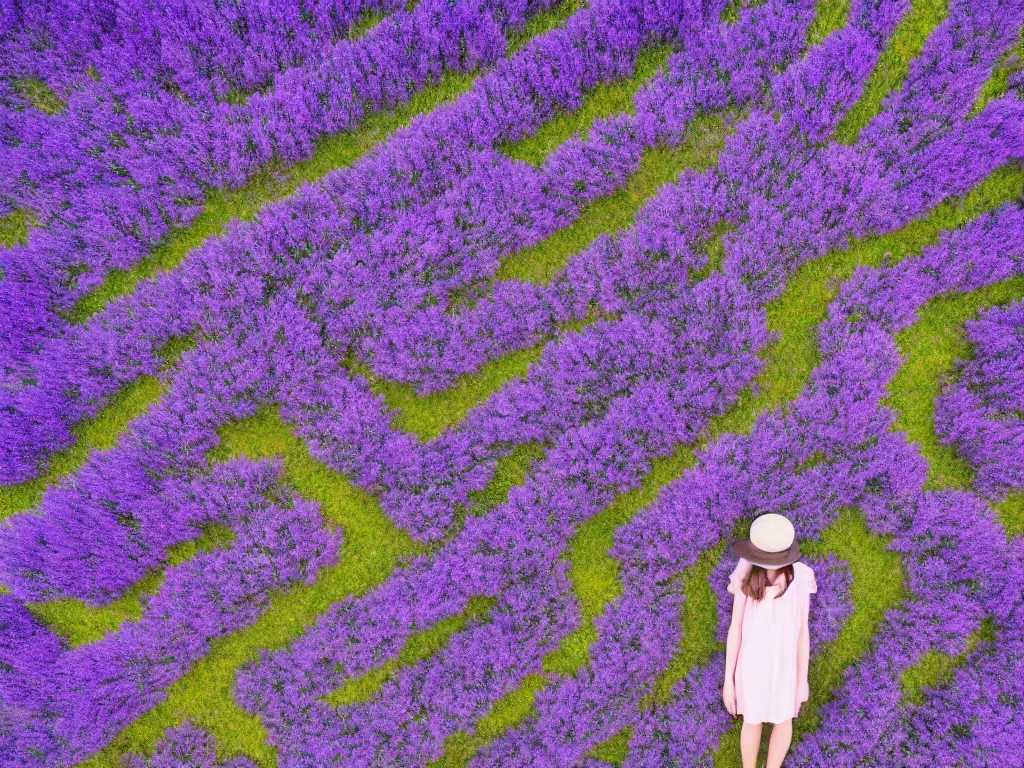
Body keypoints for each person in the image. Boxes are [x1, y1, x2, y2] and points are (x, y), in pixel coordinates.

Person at [722, 513, 816, 768]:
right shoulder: (746, 575)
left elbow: (802, 632)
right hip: (752, 664)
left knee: (784, 719)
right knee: (752, 720)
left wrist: (802, 680)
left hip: (785, 666)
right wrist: (728, 680)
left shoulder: (800, 578)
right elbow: (736, 626)